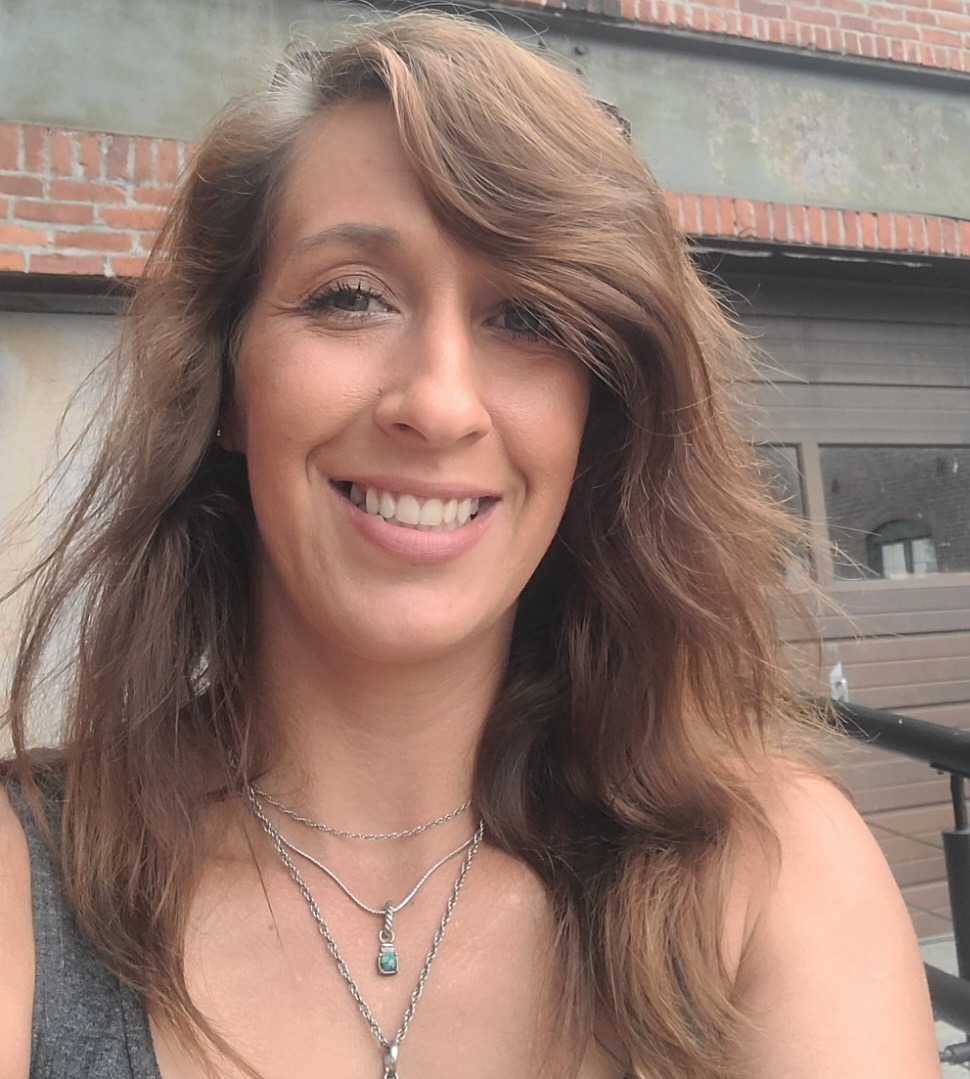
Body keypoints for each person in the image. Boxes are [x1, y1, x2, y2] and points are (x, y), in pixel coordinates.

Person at [0, 13, 939, 1079]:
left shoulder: (768, 878)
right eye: (351, 297)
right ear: (225, 381)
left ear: (600, 413)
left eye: (528, 319)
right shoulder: (23, 887)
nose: (440, 404)